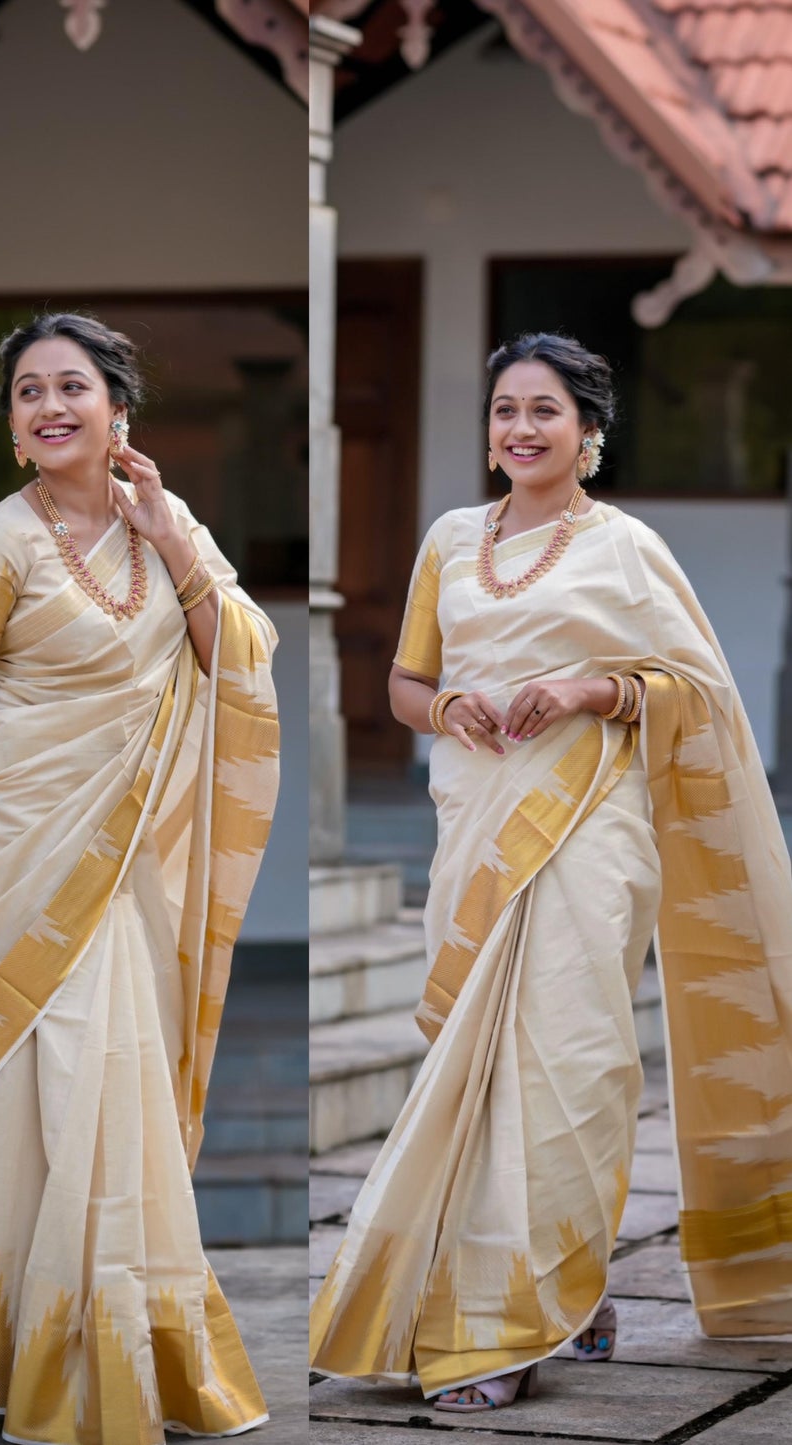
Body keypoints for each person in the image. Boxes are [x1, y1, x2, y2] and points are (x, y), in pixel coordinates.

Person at [309, 332, 792, 1411]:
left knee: (569, 1063)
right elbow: (400, 681)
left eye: (543, 410)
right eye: (503, 411)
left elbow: (700, 695)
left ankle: (511, 1322)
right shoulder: (447, 539)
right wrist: (444, 708)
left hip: (588, 827)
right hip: (474, 824)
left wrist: (588, 690)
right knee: (474, 1070)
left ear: (588, 432)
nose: (519, 428)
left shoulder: (623, 548)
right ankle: (568, 1286)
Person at [0, 312, 280, 1441]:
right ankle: (16, 1342)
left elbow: (239, 660)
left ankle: (110, 1334)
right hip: (1, 850)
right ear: (14, 428)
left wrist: (169, 532)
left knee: (102, 1082)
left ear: (118, 409)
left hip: (105, 866)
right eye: (27, 393)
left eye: (70, 385)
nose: (47, 406)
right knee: (14, 1108)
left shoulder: (166, 531)